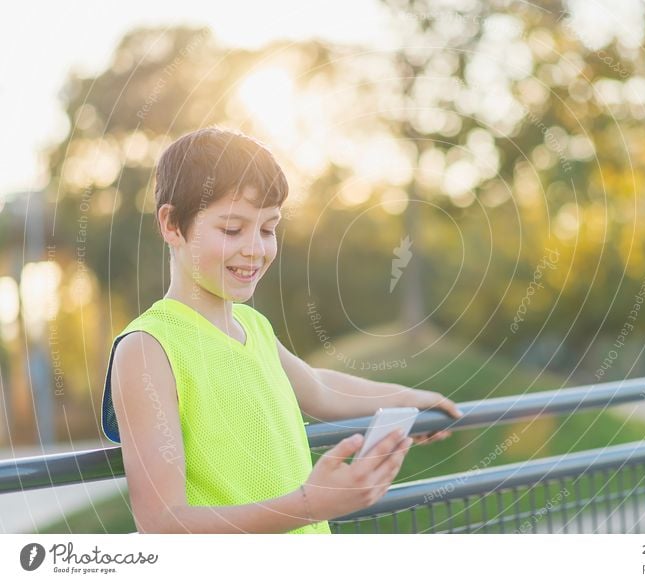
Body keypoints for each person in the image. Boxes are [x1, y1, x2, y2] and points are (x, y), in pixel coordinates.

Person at [100, 127, 463, 534]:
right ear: (172, 224)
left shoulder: (254, 326)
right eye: (232, 229)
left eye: (268, 229)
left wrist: (412, 401)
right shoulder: (148, 348)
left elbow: (320, 387)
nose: (256, 248)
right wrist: (308, 505)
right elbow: (162, 524)